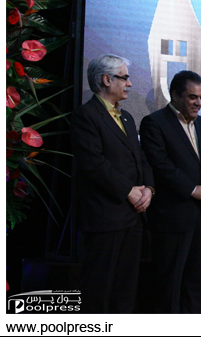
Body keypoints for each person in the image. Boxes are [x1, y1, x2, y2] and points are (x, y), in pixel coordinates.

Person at [71, 54, 154, 313]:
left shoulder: (126, 117)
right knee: (99, 291)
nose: (130, 83)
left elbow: (140, 158)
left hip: (133, 218)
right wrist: (129, 191)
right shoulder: (86, 116)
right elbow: (93, 164)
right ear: (107, 80)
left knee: (125, 291)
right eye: (124, 77)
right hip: (105, 219)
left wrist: (149, 189)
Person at [139, 70, 201, 313]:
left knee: (196, 284)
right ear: (175, 96)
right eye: (192, 97)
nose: (198, 102)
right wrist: (192, 189)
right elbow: (160, 165)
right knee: (169, 285)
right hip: (173, 218)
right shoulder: (154, 123)